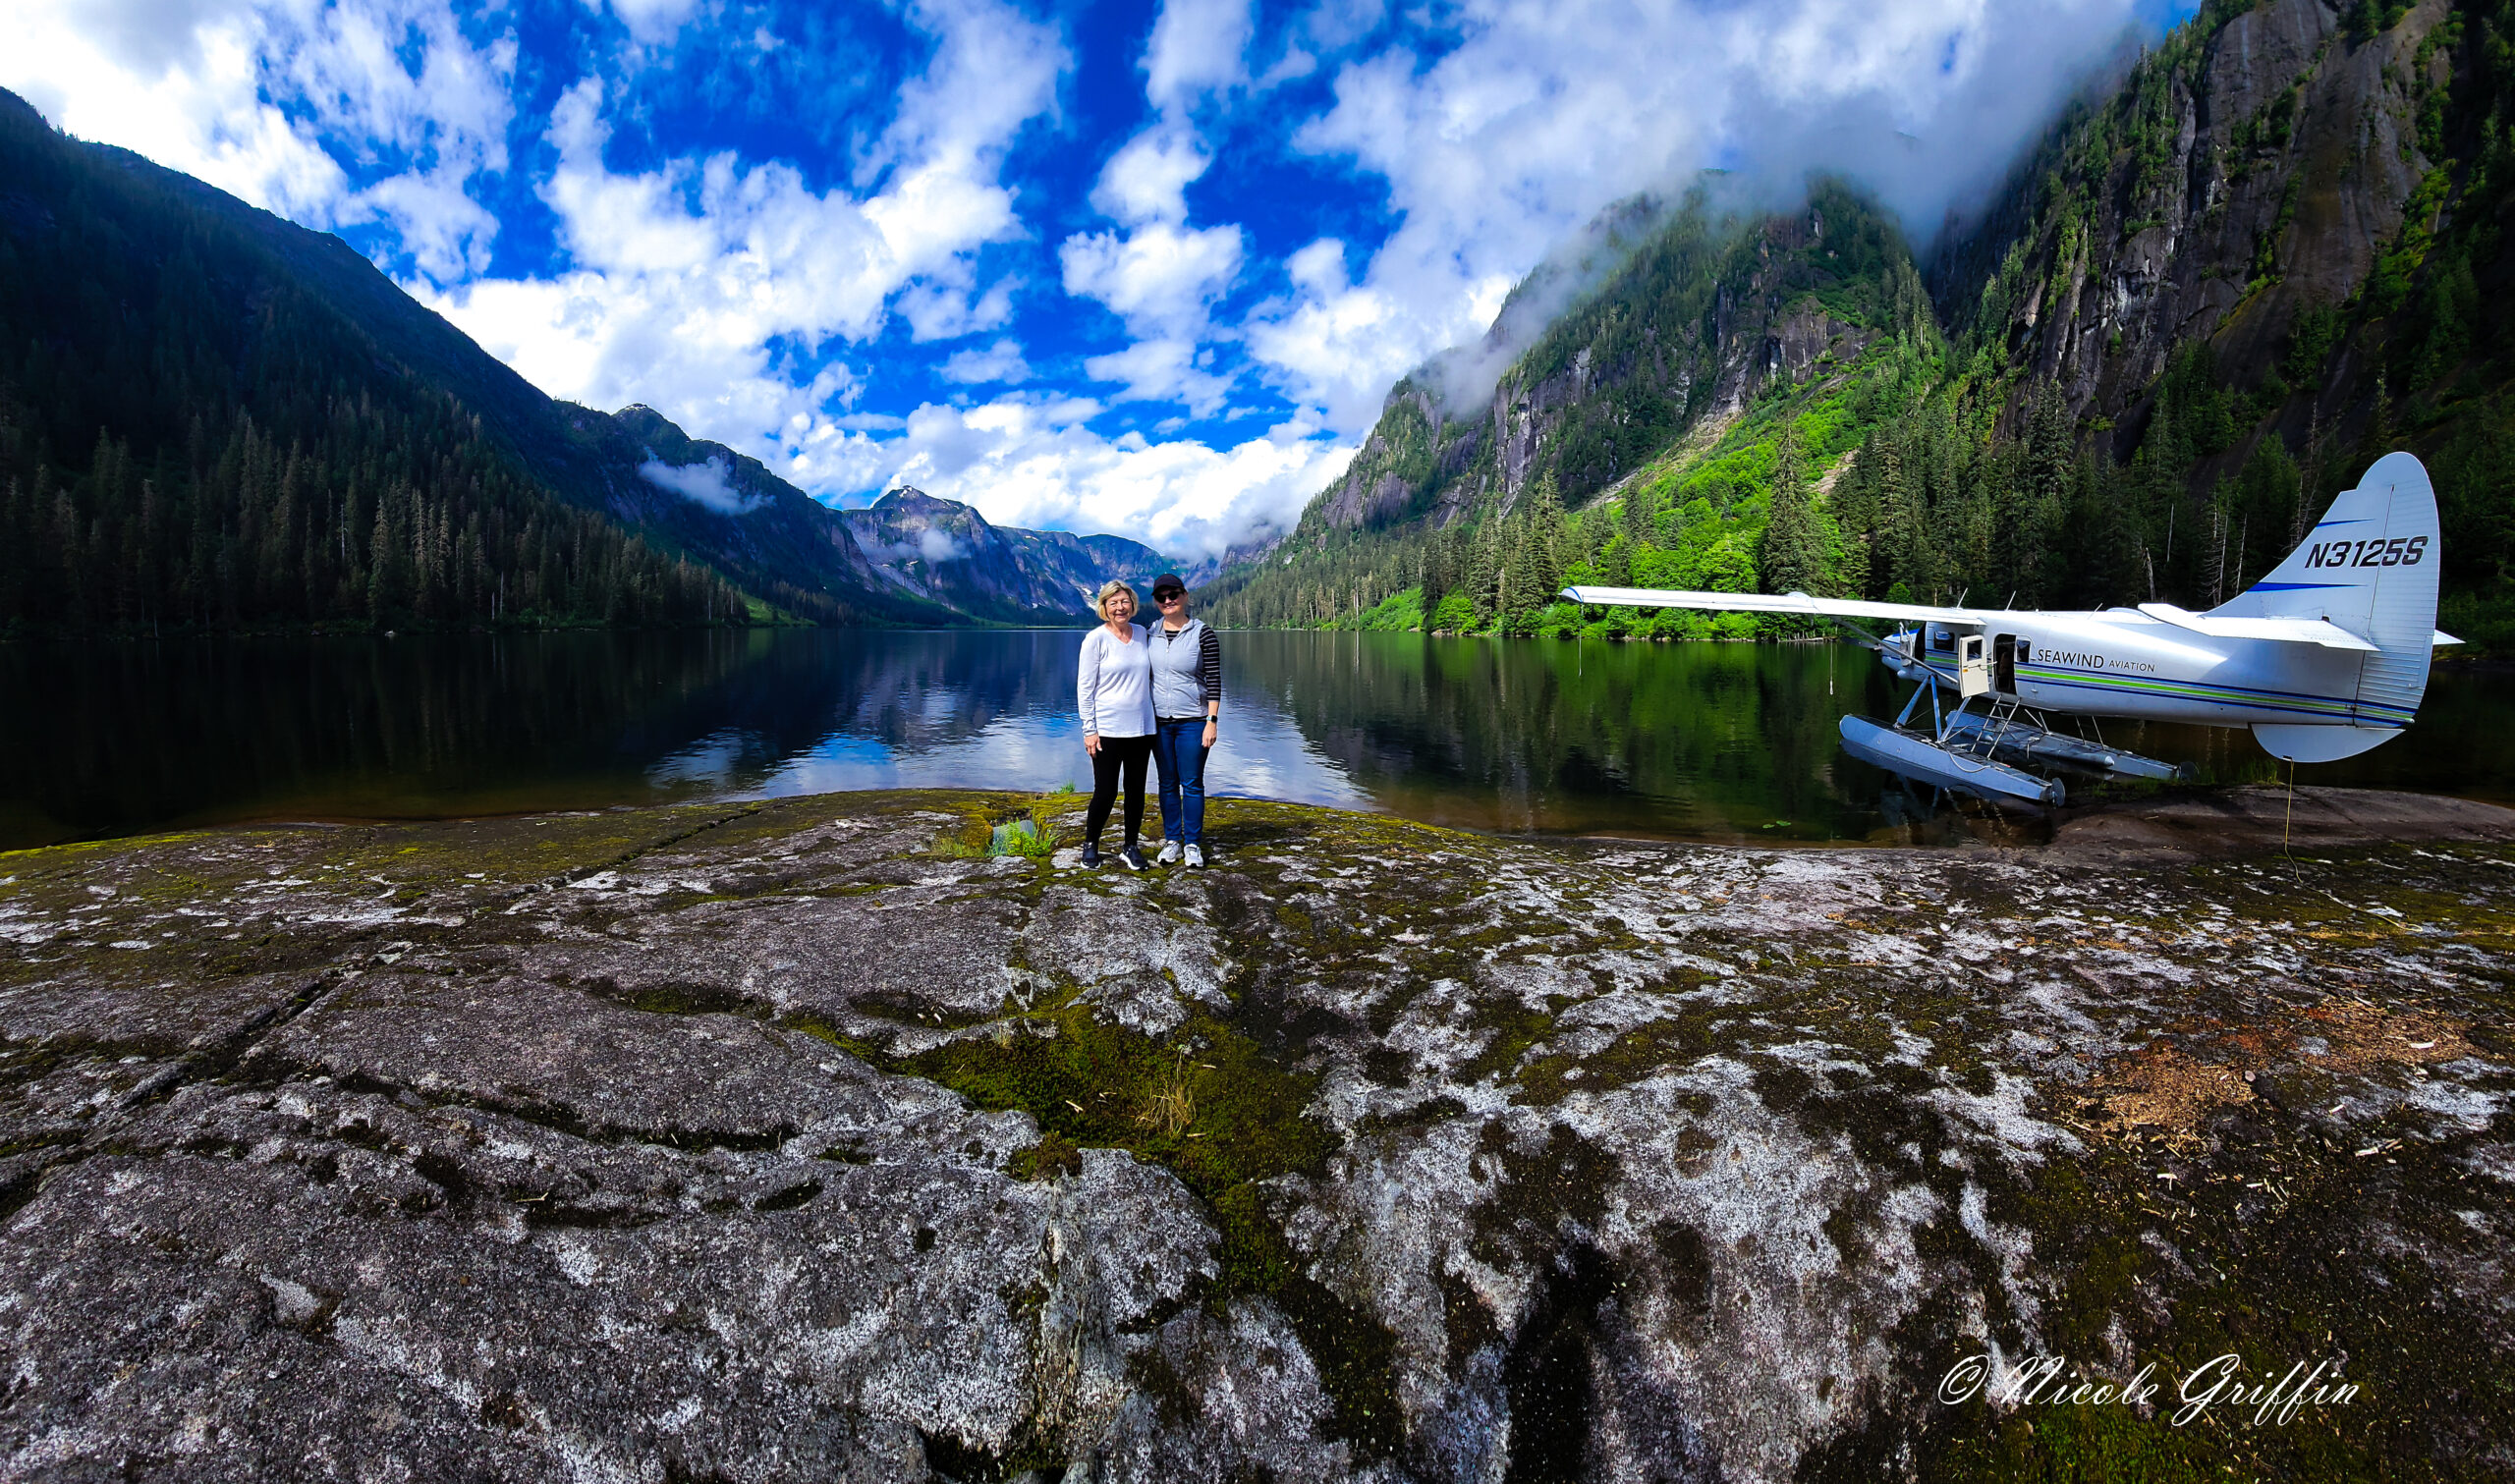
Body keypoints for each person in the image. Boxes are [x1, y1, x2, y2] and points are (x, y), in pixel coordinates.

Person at [1076, 578, 1154, 869]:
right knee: (1105, 791)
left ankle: (1130, 846)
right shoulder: (1095, 639)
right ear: (1104, 607)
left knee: (1136, 790)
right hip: (1107, 730)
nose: (1120, 607)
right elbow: (1084, 688)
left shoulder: (1143, 634)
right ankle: (1090, 844)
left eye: (1124, 602)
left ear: (1133, 605)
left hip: (1142, 728)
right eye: (1113, 603)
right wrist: (1089, 730)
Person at [1145, 573, 1220, 868]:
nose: (1168, 600)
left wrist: (1212, 720)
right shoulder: (1149, 633)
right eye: (1162, 597)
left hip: (1193, 721)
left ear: (1185, 596)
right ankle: (1172, 841)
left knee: (1192, 783)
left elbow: (1214, 679)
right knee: (1166, 783)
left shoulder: (1203, 633)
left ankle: (1192, 845)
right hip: (1159, 723)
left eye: (1173, 594)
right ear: (1156, 602)